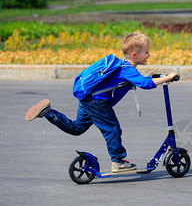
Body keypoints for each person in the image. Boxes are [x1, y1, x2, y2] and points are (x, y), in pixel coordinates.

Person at [25, 31, 178, 173]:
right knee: (112, 129)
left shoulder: (123, 66)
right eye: (146, 52)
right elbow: (145, 85)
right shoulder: (127, 69)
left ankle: (48, 113)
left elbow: (135, 81)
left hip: (88, 99)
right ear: (134, 54)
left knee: (77, 128)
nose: (149, 55)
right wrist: (168, 77)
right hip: (98, 103)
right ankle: (118, 162)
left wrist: (147, 76)